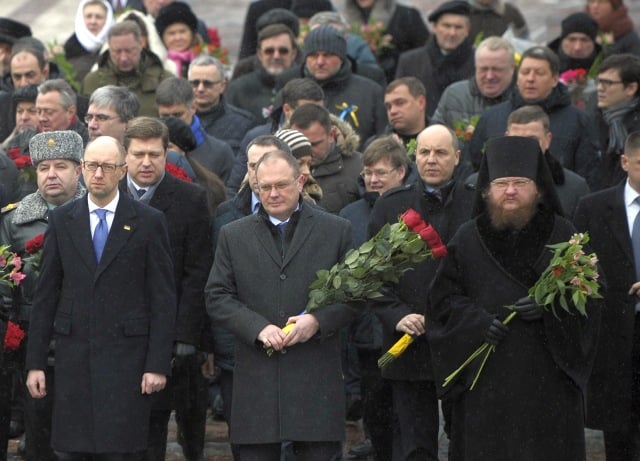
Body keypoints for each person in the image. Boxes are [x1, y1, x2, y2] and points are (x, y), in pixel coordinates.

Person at [428, 135, 600, 461]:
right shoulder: (466, 238)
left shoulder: (564, 235)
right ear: (485, 191)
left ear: (538, 189)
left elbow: (591, 301)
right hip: (486, 384)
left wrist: (551, 309)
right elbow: (442, 303)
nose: (510, 191)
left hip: (548, 385)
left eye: (520, 183)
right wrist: (476, 323)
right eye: (501, 183)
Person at [25, 134, 176, 460]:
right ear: (81, 168)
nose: (98, 174)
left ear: (122, 171)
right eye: (92, 166)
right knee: (73, 450)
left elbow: (163, 299)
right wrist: (35, 363)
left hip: (128, 360)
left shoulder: (148, 222)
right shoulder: (63, 220)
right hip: (74, 358)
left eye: (107, 167)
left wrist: (157, 365)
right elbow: (46, 296)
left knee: (120, 449)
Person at [206, 148, 357, 460]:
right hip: (256, 380)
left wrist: (317, 321)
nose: (273, 194)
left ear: (300, 182)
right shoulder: (233, 235)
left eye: (282, 185)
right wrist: (258, 328)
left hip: (315, 379)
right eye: (264, 187)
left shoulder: (336, 230)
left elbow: (355, 297)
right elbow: (217, 296)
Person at [368, 124, 474, 461]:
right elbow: (372, 275)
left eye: (440, 152)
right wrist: (397, 314)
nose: (431, 159)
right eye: (424, 152)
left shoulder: (477, 204)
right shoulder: (389, 207)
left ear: (457, 157)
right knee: (415, 444)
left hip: (463, 341)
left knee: (467, 436)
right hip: (409, 343)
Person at [120, 116, 212, 461]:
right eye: (139, 154)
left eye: (155, 155)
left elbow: (196, 271)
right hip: (120, 334)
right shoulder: (105, 196)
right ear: (125, 156)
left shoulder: (190, 200)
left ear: (167, 155)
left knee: (162, 424)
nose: (146, 162)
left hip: (171, 334)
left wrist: (184, 336)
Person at [0, 130, 86, 461]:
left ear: (79, 170)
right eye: (44, 167)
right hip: (32, 343)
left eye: (61, 166)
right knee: (39, 437)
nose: (51, 174)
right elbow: (6, 282)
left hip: (85, 340)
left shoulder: (99, 214)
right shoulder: (14, 219)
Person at [339, 136, 411, 460]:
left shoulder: (415, 209)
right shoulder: (350, 214)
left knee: (408, 415)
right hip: (366, 333)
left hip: (405, 331)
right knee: (376, 412)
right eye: (368, 172)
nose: (373, 179)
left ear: (402, 172)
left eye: (381, 172)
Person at [574, 130, 640, 461]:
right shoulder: (593, 208)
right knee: (619, 438)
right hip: (614, 337)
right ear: (625, 162)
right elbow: (577, 264)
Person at [468, 46, 601, 190]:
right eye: (525, 72)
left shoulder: (578, 121)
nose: (531, 79)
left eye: (539, 73)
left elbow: (589, 174)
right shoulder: (491, 117)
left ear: (555, 79)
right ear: (517, 77)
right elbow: (472, 164)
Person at [277, 24, 387, 146]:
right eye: (313, 55)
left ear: (341, 58)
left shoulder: (370, 92)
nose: (320, 62)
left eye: (327, 55)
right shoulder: (288, 90)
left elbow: (382, 137)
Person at [227, 77, 325, 195]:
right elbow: (234, 188)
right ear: (287, 109)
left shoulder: (330, 139)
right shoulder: (257, 138)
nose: (315, 117)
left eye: (319, 110)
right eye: (307, 111)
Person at [395, 0, 474, 118]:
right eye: (446, 26)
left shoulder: (479, 62)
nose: (452, 33)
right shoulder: (410, 62)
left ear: (467, 30)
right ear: (434, 27)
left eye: (458, 27)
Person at [82, 20, 174, 117]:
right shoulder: (92, 82)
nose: (124, 58)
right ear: (109, 47)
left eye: (129, 51)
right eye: (117, 52)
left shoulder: (164, 80)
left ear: (141, 44)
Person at [155, 76, 234, 183]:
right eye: (165, 116)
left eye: (177, 115)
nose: (171, 122)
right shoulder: (146, 151)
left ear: (193, 107)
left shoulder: (220, 152)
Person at [430, 36, 515, 133]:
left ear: (512, 69)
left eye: (497, 69)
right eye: (483, 69)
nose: (489, 76)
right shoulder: (454, 95)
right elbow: (434, 134)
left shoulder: (523, 99)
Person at [289, 103, 362, 213]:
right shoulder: (278, 168)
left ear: (332, 135)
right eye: (299, 143)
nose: (307, 150)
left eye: (314, 144)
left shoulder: (359, 167)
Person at [337, 0, 429, 82]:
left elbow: (423, 52)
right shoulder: (345, 22)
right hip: (364, 84)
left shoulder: (407, 15)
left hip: (401, 81)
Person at [227, 24, 299, 123]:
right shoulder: (238, 89)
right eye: (269, 51)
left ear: (293, 54)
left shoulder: (306, 85)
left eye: (283, 51)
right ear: (260, 54)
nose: (276, 56)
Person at [188, 55, 256, 157]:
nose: (200, 88)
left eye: (207, 83)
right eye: (195, 83)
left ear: (222, 86)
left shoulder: (244, 123)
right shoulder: (177, 120)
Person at [594, 53, 640, 188]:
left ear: (631, 88)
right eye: (599, 81)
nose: (600, 88)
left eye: (608, 83)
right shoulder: (592, 118)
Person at [64, 0, 115, 82]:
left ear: (108, 20)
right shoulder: (70, 47)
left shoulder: (116, 46)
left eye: (98, 17)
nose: (93, 21)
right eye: (88, 16)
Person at [154, 1, 201, 78]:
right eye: (171, 33)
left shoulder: (204, 56)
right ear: (163, 38)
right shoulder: (157, 65)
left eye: (182, 31)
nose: (178, 38)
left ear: (191, 34)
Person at [382, 77, 427, 154]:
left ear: (421, 103)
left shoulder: (444, 140)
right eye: (388, 106)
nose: (392, 111)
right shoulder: (377, 146)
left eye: (400, 103)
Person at [36, 79, 90, 145]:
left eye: (49, 112)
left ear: (70, 112)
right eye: (38, 111)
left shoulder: (87, 143)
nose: (42, 118)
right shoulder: (25, 139)